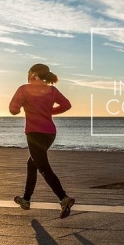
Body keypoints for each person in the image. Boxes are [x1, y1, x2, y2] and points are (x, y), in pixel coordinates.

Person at [9, 63, 75, 218]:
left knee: (43, 167)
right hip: (50, 133)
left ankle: (63, 198)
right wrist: (49, 111)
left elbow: (13, 110)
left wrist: (20, 107)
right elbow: (67, 105)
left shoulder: (24, 89)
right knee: (32, 163)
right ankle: (26, 199)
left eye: (28, 72)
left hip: (34, 133)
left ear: (33, 74)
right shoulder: (52, 90)